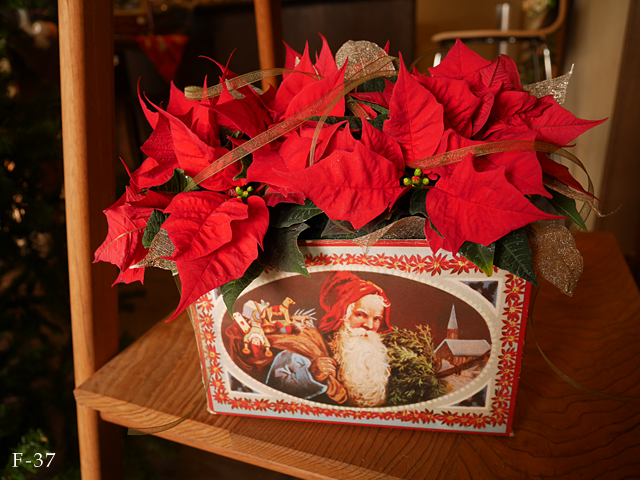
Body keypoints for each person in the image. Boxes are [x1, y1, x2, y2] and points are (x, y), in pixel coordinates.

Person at [266, 271, 392, 407]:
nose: (370, 326)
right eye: (360, 315)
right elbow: (274, 390)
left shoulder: (380, 359)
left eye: (377, 319)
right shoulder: (303, 346)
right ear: (341, 316)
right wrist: (311, 374)